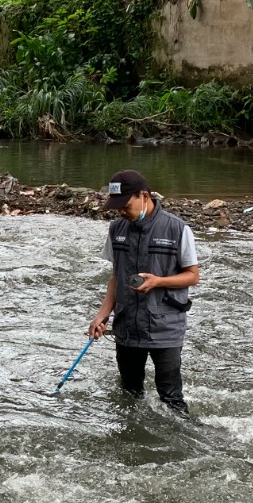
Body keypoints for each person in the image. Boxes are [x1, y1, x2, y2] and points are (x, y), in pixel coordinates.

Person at [86, 169, 201, 414]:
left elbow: (193, 276)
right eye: (117, 207)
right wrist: (102, 316)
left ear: (144, 196)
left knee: (171, 398)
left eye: (126, 205)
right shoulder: (116, 230)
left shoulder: (177, 229)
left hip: (166, 327)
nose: (121, 212)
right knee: (129, 395)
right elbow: (115, 278)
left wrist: (158, 281)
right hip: (127, 326)